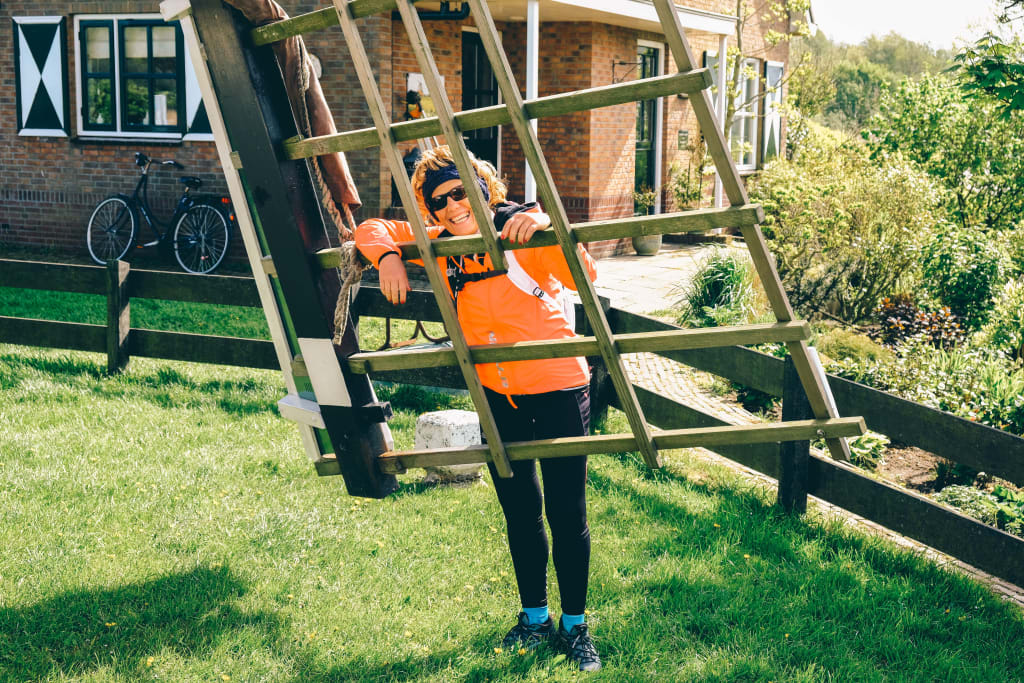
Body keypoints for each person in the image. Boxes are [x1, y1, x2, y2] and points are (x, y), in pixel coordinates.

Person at [354, 146, 602, 672]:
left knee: (566, 512)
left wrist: (540, 226)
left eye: (460, 190)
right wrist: (390, 256)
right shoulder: (440, 245)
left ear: (484, 186)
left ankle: (576, 627)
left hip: (558, 388)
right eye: (438, 199)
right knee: (520, 509)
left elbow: (585, 273)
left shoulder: (521, 233)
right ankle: (534, 619)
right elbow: (371, 228)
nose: (451, 205)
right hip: (496, 394)